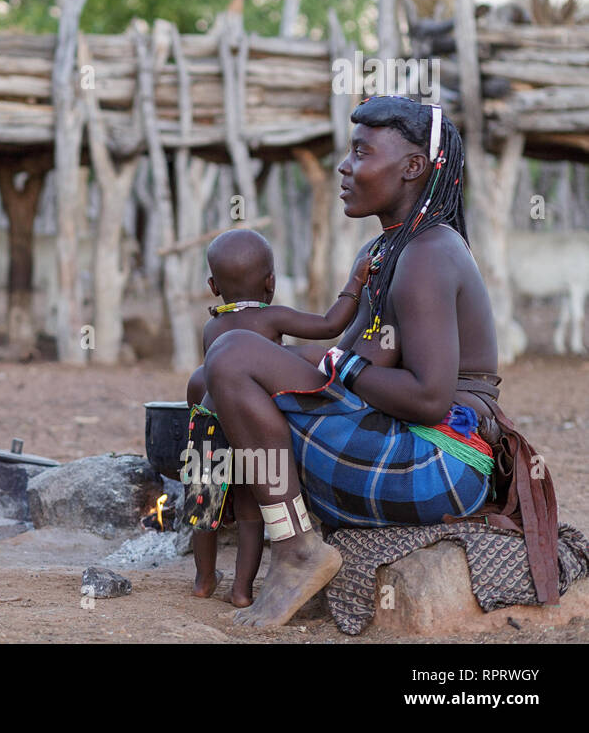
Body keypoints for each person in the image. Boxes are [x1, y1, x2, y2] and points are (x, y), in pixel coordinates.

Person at [203, 97, 539, 627]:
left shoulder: (428, 254)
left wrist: (343, 366)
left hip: (440, 462)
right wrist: (293, 365)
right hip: (409, 443)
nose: (344, 166)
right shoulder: (390, 250)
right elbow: (348, 355)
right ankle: (288, 540)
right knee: (221, 370)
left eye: (361, 152)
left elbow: (428, 399)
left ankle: (294, 548)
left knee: (232, 362)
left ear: (412, 168)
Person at [184, 229, 370, 607]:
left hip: (207, 424)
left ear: (213, 285)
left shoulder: (212, 325)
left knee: (202, 508)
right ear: (270, 282)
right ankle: (241, 590)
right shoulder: (273, 317)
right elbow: (331, 326)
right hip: (248, 428)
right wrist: (356, 284)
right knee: (252, 512)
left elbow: (206, 378)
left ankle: (203, 581)